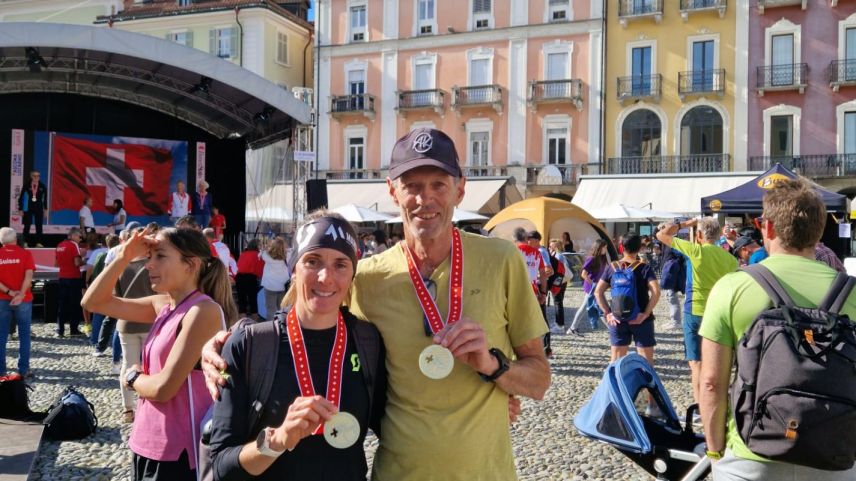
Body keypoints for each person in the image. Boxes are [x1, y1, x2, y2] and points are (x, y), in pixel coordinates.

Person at [203, 127, 550, 480]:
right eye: (412, 186)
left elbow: (538, 380)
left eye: (438, 185)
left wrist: (494, 366)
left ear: (460, 188)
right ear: (392, 191)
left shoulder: (501, 260)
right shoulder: (365, 276)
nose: (423, 198)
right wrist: (225, 342)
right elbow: (303, 312)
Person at [209, 212, 387, 480]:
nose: (326, 277)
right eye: (313, 261)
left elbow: (397, 427)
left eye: (340, 264)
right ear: (293, 269)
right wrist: (278, 439)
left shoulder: (368, 341)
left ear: (352, 274)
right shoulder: (248, 345)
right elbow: (222, 466)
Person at [699, 178, 856, 480]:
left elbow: (711, 383)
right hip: (836, 456)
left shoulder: (733, 287)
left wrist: (716, 450)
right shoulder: (852, 293)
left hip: (752, 455)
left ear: (766, 227)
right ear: (820, 231)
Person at [82, 226, 237, 480]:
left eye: (160, 256)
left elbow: (164, 388)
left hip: (179, 450)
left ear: (191, 264)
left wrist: (132, 378)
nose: (148, 265)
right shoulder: (164, 304)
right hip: (148, 442)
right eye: (149, 256)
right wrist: (124, 256)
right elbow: (93, 302)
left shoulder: (202, 311)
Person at [656, 217, 737, 411]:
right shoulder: (731, 259)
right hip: (719, 313)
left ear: (699, 235)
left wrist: (686, 224)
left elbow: (661, 235)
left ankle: (701, 408)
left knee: (696, 362)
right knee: (718, 362)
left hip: (695, 311)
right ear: (718, 236)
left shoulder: (695, 251)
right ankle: (718, 404)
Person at [113, 225, 158, 424]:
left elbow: (115, 296)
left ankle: (127, 409)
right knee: (152, 366)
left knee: (127, 365)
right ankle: (149, 404)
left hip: (126, 323)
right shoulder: (152, 266)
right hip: (150, 321)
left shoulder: (121, 266)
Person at [594, 234, 660, 366]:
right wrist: (645, 314)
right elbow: (656, 292)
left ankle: (616, 386)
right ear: (640, 248)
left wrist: (608, 314)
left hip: (618, 319)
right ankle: (644, 386)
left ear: (621, 247)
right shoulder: (644, 268)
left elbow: (598, 292)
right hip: (641, 319)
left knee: (616, 361)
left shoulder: (612, 268)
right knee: (646, 362)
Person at [0, 228, 34, 378]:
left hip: (2, 298)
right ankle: (23, 369)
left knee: (1, 335)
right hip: (24, 299)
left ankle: (1, 371)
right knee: (24, 335)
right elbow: (29, 276)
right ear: (15, 239)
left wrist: (9, 292)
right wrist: (20, 293)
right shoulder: (26, 254)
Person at [514, 227, 550, 356]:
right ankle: (532, 351)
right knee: (531, 323)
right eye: (537, 241)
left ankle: (519, 351)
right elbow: (543, 274)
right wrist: (543, 292)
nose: (539, 244)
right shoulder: (537, 254)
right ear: (528, 239)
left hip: (515, 292)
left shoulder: (514, 251)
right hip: (533, 293)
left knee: (516, 323)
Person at [568, 239, 609, 335]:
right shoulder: (591, 258)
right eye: (605, 247)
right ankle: (572, 328)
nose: (606, 249)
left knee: (600, 306)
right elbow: (583, 274)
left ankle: (572, 328)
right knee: (598, 307)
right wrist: (593, 284)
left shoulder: (603, 259)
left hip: (597, 287)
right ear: (599, 248)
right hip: (591, 288)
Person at [56, 227, 85, 337]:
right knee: (74, 304)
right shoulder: (73, 245)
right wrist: (85, 260)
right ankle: (74, 330)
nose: (80, 239)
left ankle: (60, 330)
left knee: (62, 304)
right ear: (72, 236)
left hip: (62, 277)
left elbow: (56, 264)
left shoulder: (59, 245)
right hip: (73, 278)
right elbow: (77, 263)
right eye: (79, 236)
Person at [260, 237, 289, 321]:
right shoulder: (287, 256)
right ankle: (281, 326)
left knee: (270, 309)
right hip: (283, 285)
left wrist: (265, 247)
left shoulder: (266, 256)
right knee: (282, 308)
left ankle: (271, 327)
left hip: (270, 286)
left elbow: (262, 252)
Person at [659, 245, 686, 331]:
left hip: (672, 275)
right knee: (669, 297)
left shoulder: (672, 243)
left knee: (672, 297)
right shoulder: (665, 244)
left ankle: (676, 322)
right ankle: (673, 320)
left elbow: (681, 256)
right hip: (668, 274)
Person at [235, 240, 264, 318]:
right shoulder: (257, 254)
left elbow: (238, 265)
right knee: (253, 299)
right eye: (260, 245)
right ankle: (254, 322)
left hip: (239, 277)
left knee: (241, 300)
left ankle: (242, 321)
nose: (261, 246)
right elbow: (260, 267)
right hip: (250, 278)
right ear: (256, 246)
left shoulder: (243, 254)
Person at [17, 170, 47, 247]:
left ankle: (39, 243)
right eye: (34, 176)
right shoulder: (26, 185)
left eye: (38, 176)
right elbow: (21, 198)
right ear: (31, 176)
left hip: (39, 208)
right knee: (27, 225)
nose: (36, 177)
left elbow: (45, 199)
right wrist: (20, 209)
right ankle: (24, 242)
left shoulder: (42, 186)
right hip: (28, 208)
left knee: (39, 225)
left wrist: (46, 209)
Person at [547, 239, 570, 330]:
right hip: (560, 282)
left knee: (558, 303)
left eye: (550, 246)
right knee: (558, 302)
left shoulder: (559, 256)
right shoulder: (557, 255)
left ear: (555, 247)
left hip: (559, 282)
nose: (549, 248)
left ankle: (560, 325)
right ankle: (558, 322)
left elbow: (560, 271)